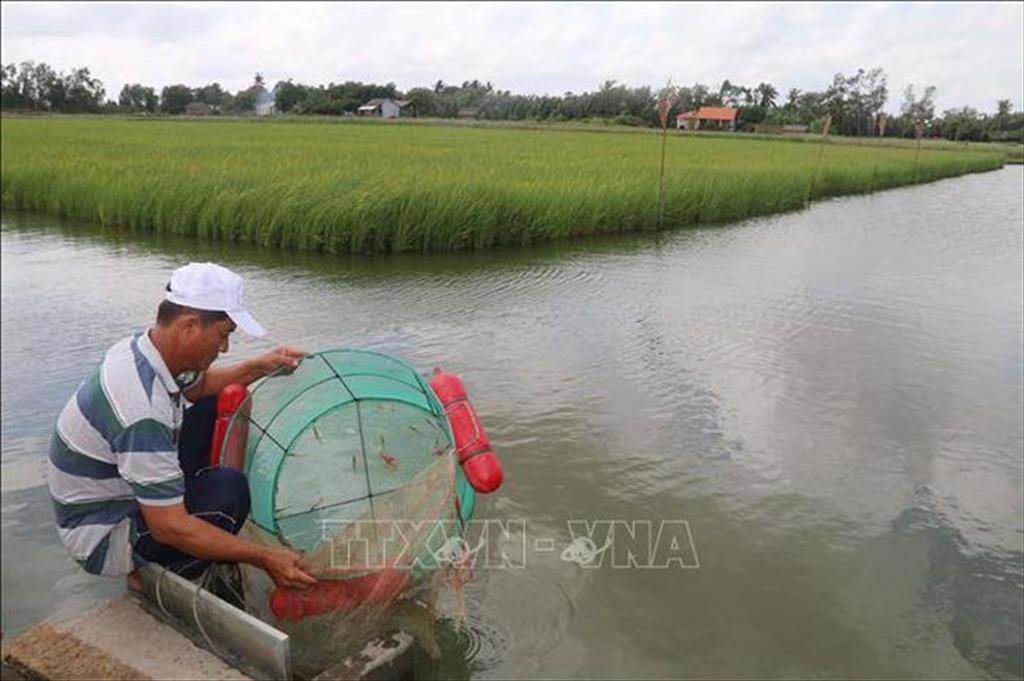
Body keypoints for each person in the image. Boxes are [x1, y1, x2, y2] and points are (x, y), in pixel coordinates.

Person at [46, 262, 317, 592]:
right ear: (189, 325)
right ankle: (156, 570)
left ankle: (175, 503)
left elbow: (196, 389)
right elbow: (169, 528)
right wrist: (264, 557)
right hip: (104, 532)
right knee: (228, 491)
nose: (225, 348)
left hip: (120, 488)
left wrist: (257, 366)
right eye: (223, 335)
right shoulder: (141, 409)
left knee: (207, 404)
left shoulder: (143, 349)